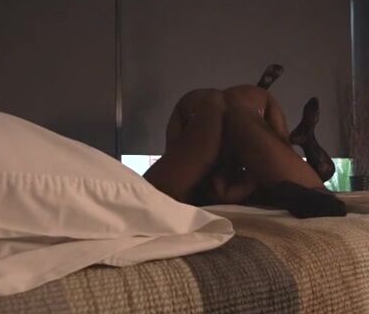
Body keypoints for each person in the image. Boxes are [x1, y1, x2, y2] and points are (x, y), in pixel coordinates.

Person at [143, 65, 345, 218]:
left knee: (148, 198)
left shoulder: (190, 102)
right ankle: (248, 112)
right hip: (248, 105)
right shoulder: (260, 98)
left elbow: (174, 151)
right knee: (319, 198)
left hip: (199, 110)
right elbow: (282, 148)